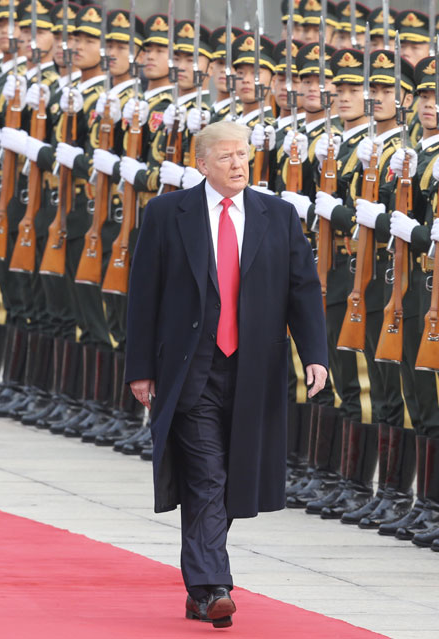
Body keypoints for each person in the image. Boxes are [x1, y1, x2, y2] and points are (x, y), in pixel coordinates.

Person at [124, 120, 329, 628]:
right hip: (191, 368)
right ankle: (214, 585)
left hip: (254, 368)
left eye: (244, 155)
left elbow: (303, 292)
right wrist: (140, 369)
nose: (238, 164)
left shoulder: (277, 216)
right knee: (207, 475)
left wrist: (316, 355)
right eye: (227, 157)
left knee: (231, 479)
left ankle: (199, 590)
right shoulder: (167, 214)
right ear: (202, 164)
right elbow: (143, 295)